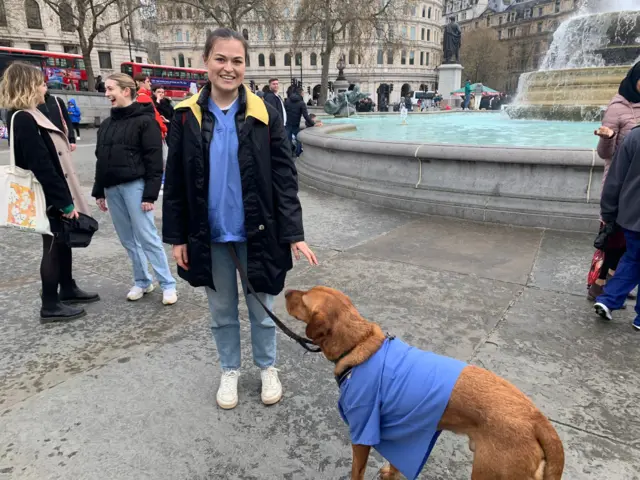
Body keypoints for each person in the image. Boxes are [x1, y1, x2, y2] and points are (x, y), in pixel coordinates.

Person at [163, 28, 318, 410]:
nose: (228, 68)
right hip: (208, 233)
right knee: (221, 312)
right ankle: (229, 369)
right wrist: (177, 236)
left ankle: (267, 367)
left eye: (237, 61)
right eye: (221, 59)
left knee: (261, 307)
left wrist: (293, 233)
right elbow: (177, 183)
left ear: (245, 66)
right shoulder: (185, 116)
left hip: (258, 231)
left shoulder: (264, 114)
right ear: (206, 62)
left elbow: (285, 177)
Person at [0, 62, 99, 322]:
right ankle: (50, 303)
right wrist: (64, 204)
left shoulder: (32, 113)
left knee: (62, 241)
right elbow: (42, 165)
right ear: (28, 86)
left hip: (53, 191)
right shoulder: (23, 118)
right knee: (53, 245)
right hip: (46, 194)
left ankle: (67, 287)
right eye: (41, 82)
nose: (46, 87)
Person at [92, 73, 177, 305]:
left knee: (147, 236)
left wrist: (150, 193)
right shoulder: (107, 124)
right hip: (112, 187)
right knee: (128, 239)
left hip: (135, 186)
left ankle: (167, 283)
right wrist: (99, 190)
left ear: (126, 91)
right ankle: (142, 280)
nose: (106, 93)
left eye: (110, 89)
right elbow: (101, 158)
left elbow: (154, 159)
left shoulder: (145, 121)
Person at [590, 62, 640, 301]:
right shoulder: (617, 108)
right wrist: (607, 138)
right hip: (620, 181)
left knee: (631, 236)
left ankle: (616, 281)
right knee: (613, 235)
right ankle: (599, 283)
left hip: (638, 181)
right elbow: (604, 153)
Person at [594, 124, 640, 330]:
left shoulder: (635, 136)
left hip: (632, 214)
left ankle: (608, 300)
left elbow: (615, 178)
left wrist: (609, 211)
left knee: (632, 258)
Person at [133, 73, 168, 138]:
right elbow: (155, 115)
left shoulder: (137, 96)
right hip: (153, 132)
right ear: (139, 82)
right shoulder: (144, 97)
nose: (150, 84)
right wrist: (164, 129)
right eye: (148, 81)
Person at [285, 86, 314, 157]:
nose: (303, 94)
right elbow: (306, 116)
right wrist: (313, 123)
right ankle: (298, 153)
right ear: (301, 93)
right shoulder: (301, 103)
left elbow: (284, 112)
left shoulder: (287, 100)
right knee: (299, 139)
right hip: (296, 124)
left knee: (288, 140)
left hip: (288, 123)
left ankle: (289, 154)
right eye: (303, 93)